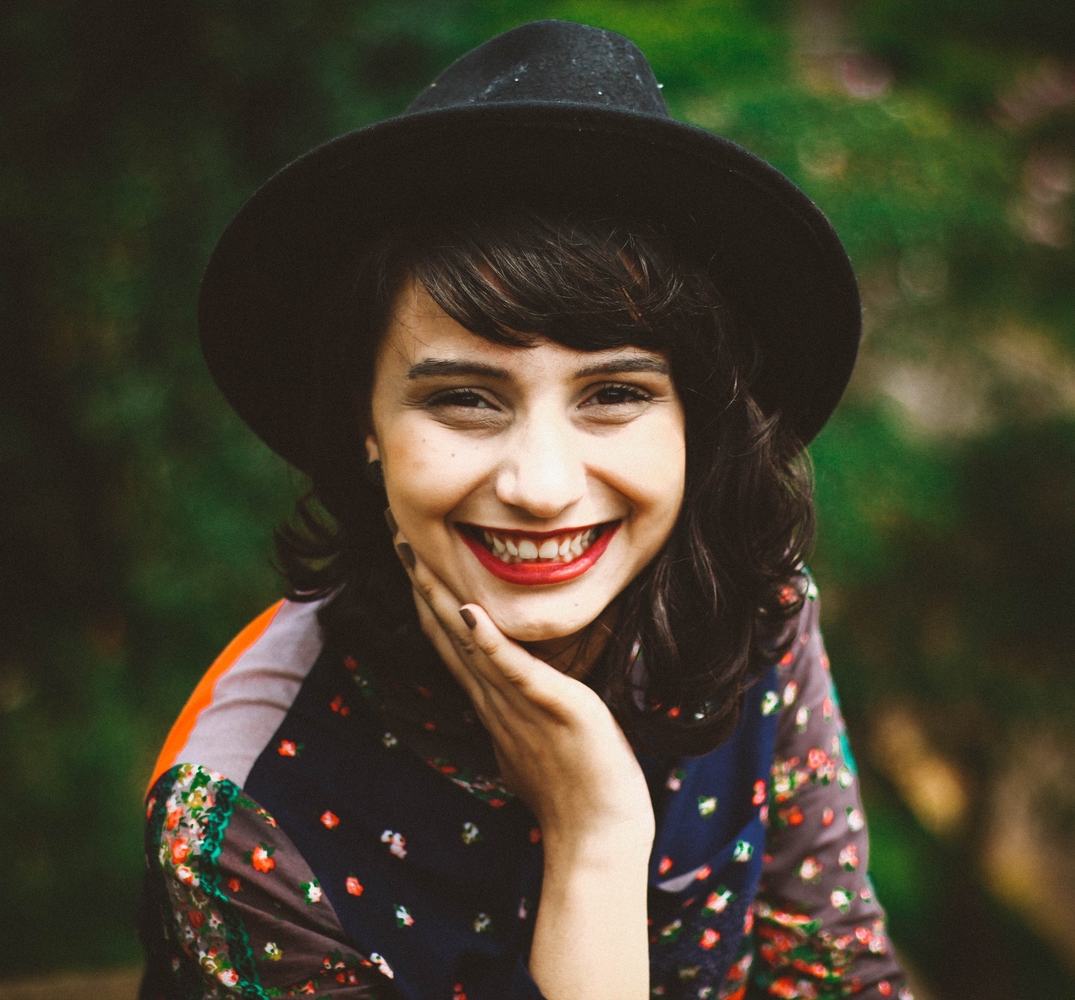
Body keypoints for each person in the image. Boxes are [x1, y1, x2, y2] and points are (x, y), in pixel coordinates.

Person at [137, 20, 909, 1000]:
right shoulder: (246, 814)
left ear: (696, 422)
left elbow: (840, 972)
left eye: (615, 393)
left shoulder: (760, 612)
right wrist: (595, 846)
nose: (541, 485)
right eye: (464, 398)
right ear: (364, 422)